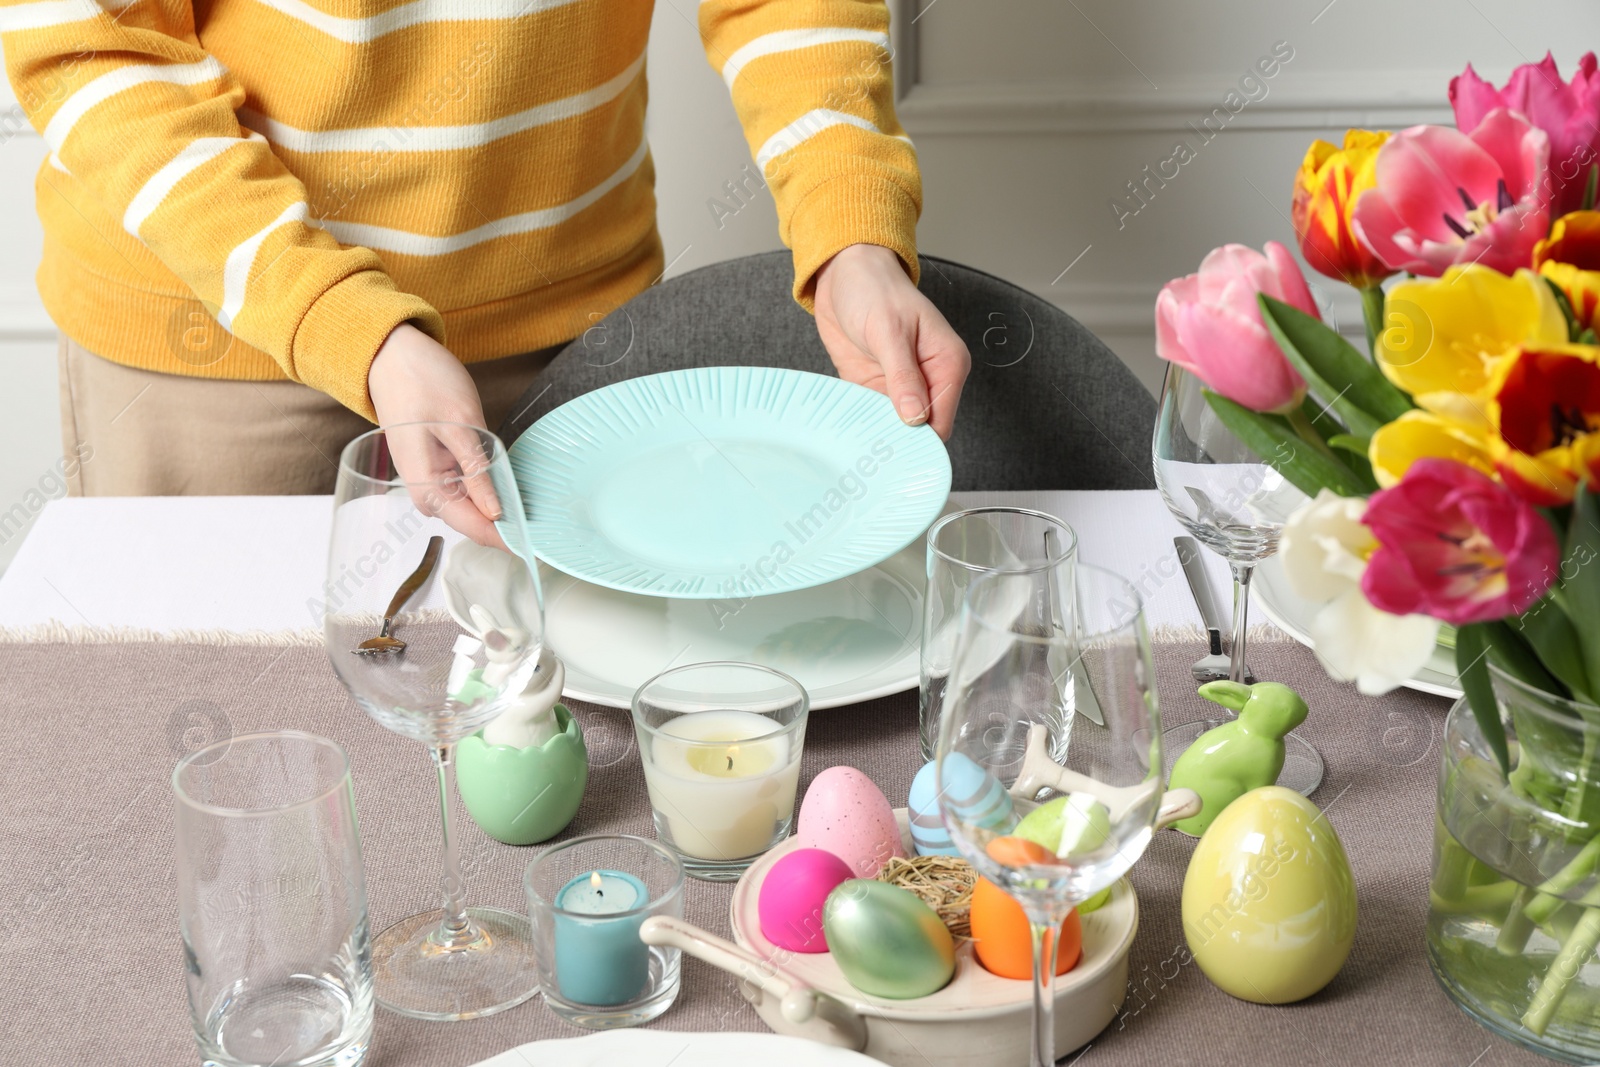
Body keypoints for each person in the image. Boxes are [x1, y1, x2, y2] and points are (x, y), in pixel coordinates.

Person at [2, 0, 970, 543]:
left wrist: (849, 230)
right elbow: (87, 35)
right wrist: (350, 324)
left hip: (571, 338)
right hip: (222, 352)